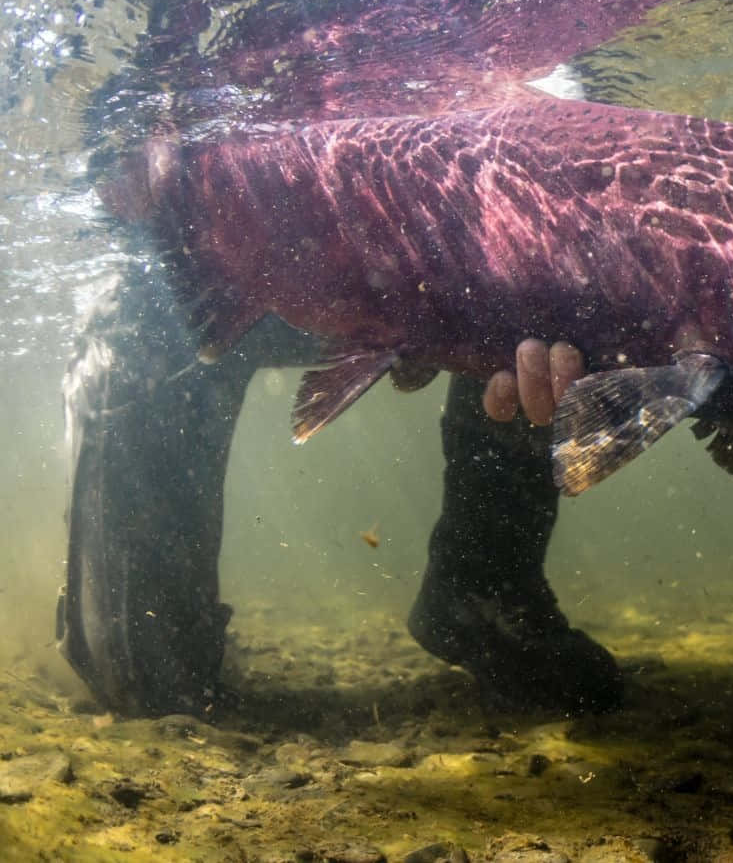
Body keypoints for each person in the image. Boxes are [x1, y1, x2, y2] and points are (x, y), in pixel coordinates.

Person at [58, 256, 621, 716]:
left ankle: (484, 591)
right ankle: (156, 635)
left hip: (442, 250)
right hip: (189, 265)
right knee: (144, 682)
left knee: (549, 296)